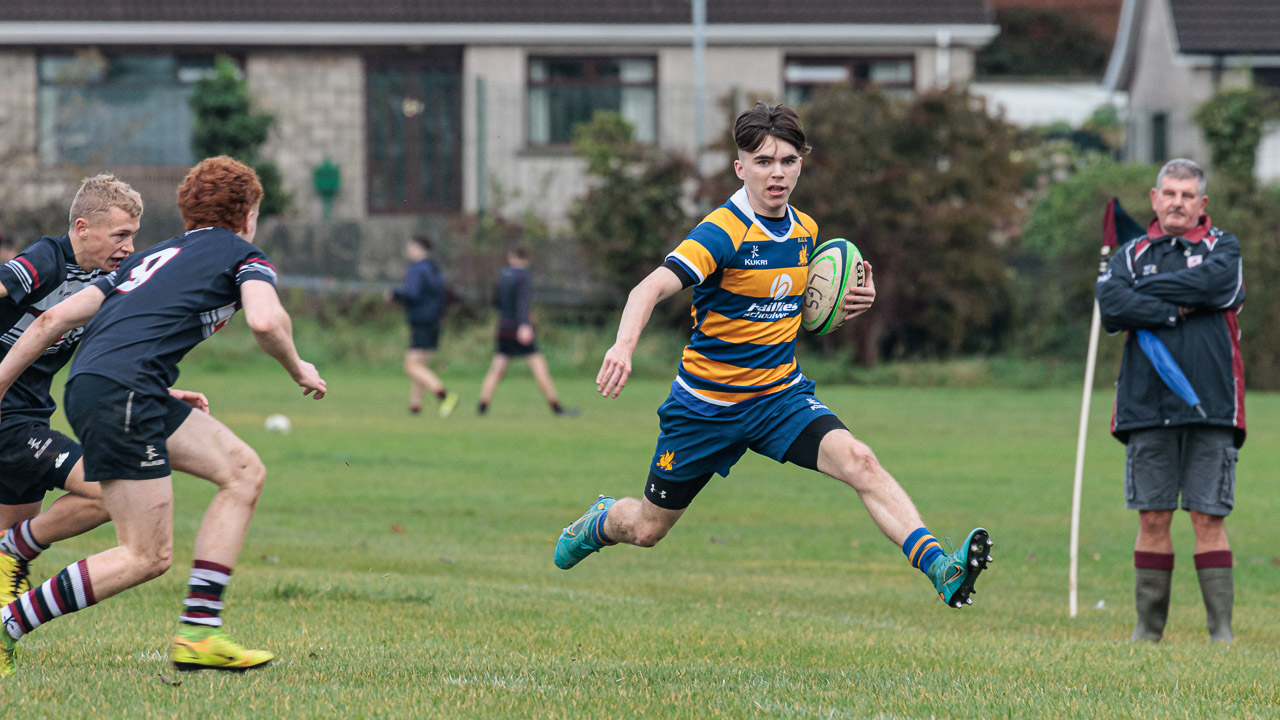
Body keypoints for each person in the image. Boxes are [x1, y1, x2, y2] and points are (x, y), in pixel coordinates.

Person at [551, 102, 992, 609]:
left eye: (787, 160)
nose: (776, 173)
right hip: (704, 409)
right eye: (762, 161)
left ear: (801, 163)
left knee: (861, 461)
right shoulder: (723, 232)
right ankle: (601, 520)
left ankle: (942, 568)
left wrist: (851, 303)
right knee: (649, 529)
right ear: (741, 168)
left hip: (779, 399)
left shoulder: (805, 231)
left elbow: (796, 307)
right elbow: (647, 289)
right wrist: (623, 346)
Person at [0, 156, 327, 677]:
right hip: (122, 392)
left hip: (109, 387)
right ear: (247, 215)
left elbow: (55, 320)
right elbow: (266, 320)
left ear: (187, 212)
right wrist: (298, 366)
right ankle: (8, 622)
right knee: (145, 555)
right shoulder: (245, 255)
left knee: (243, 471)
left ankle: (200, 629)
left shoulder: (153, 256)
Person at [1096, 158, 1245, 643]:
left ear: (1202, 203)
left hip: (1213, 403)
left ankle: (1220, 633)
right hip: (1145, 404)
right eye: (1170, 193)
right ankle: (1148, 631)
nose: (1178, 202)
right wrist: (1179, 309)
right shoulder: (1131, 253)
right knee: (1153, 515)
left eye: (1187, 195)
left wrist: (1145, 296)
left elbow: (1214, 284)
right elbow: (1112, 306)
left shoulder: (1223, 247)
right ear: (1154, 198)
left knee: (1208, 516)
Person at [0, 175, 159, 609]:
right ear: (83, 227)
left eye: (133, 237)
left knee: (6, 550)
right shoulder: (47, 259)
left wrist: (165, 393)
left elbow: (114, 355)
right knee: (108, 492)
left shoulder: (105, 286)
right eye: (120, 235)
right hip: (7, 419)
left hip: (31, 415)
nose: (129, 247)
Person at [476, 246, 577, 416]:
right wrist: (524, 324)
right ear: (527, 259)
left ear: (510, 257)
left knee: (497, 369)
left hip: (503, 327)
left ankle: (482, 407)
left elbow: (495, 301)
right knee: (539, 367)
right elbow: (522, 302)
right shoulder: (524, 276)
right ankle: (556, 407)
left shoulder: (502, 275)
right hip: (519, 328)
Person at [389, 235, 457, 418]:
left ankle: (444, 394)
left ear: (418, 248)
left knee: (411, 367)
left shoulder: (417, 269)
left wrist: (395, 296)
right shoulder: (434, 268)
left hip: (421, 321)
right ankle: (416, 406)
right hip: (434, 321)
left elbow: (413, 295)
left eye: (410, 247)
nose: (408, 250)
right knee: (421, 365)